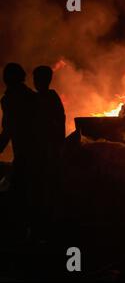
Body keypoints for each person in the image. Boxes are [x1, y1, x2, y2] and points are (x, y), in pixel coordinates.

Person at [0, 63, 36, 236]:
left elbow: (8, 128)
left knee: (19, 190)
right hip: (37, 150)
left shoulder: (10, 99)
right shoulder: (31, 96)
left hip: (24, 151)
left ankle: (21, 232)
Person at [32, 65, 66, 237]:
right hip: (45, 146)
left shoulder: (45, 98)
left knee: (47, 183)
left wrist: (58, 142)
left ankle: (49, 222)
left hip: (46, 147)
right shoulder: (44, 97)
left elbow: (58, 121)